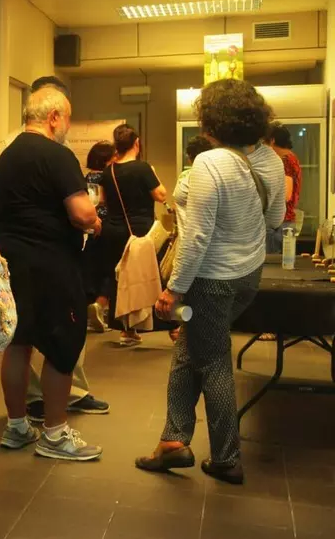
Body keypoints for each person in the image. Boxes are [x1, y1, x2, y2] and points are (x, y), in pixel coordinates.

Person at [136, 79, 285, 485]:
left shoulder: (209, 164)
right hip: (247, 277)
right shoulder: (270, 160)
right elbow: (275, 221)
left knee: (213, 360)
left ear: (211, 121)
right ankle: (173, 441)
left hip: (209, 283)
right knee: (191, 345)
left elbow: (196, 237)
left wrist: (174, 290)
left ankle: (226, 459)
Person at [0, 87, 102, 461]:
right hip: (51, 265)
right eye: (67, 117)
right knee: (62, 344)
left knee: (17, 343)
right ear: (54, 117)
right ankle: (54, 434)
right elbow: (82, 213)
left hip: (12, 263)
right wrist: (95, 222)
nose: (68, 126)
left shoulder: (7, 156)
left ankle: (17, 426)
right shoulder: (57, 155)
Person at [97, 124, 168, 345]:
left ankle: (126, 330)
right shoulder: (143, 168)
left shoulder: (108, 171)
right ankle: (171, 326)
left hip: (114, 231)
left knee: (122, 280)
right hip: (141, 232)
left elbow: (103, 201)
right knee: (151, 277)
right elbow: (161, 195)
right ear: (137, 143)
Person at [82, 141, 116, 332]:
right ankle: (100, 304)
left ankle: (89, 310)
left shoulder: (85, 178)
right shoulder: (107, 178)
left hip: (88, 229)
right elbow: (105, 201)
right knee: (109, 268)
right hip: (106, 226)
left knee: (90, 269)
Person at [265, 122, 301, 253]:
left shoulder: (285, 160)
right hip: (285, 221)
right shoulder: (291, 158)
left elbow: (286, 195)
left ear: (272, 141)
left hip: (281, 223)